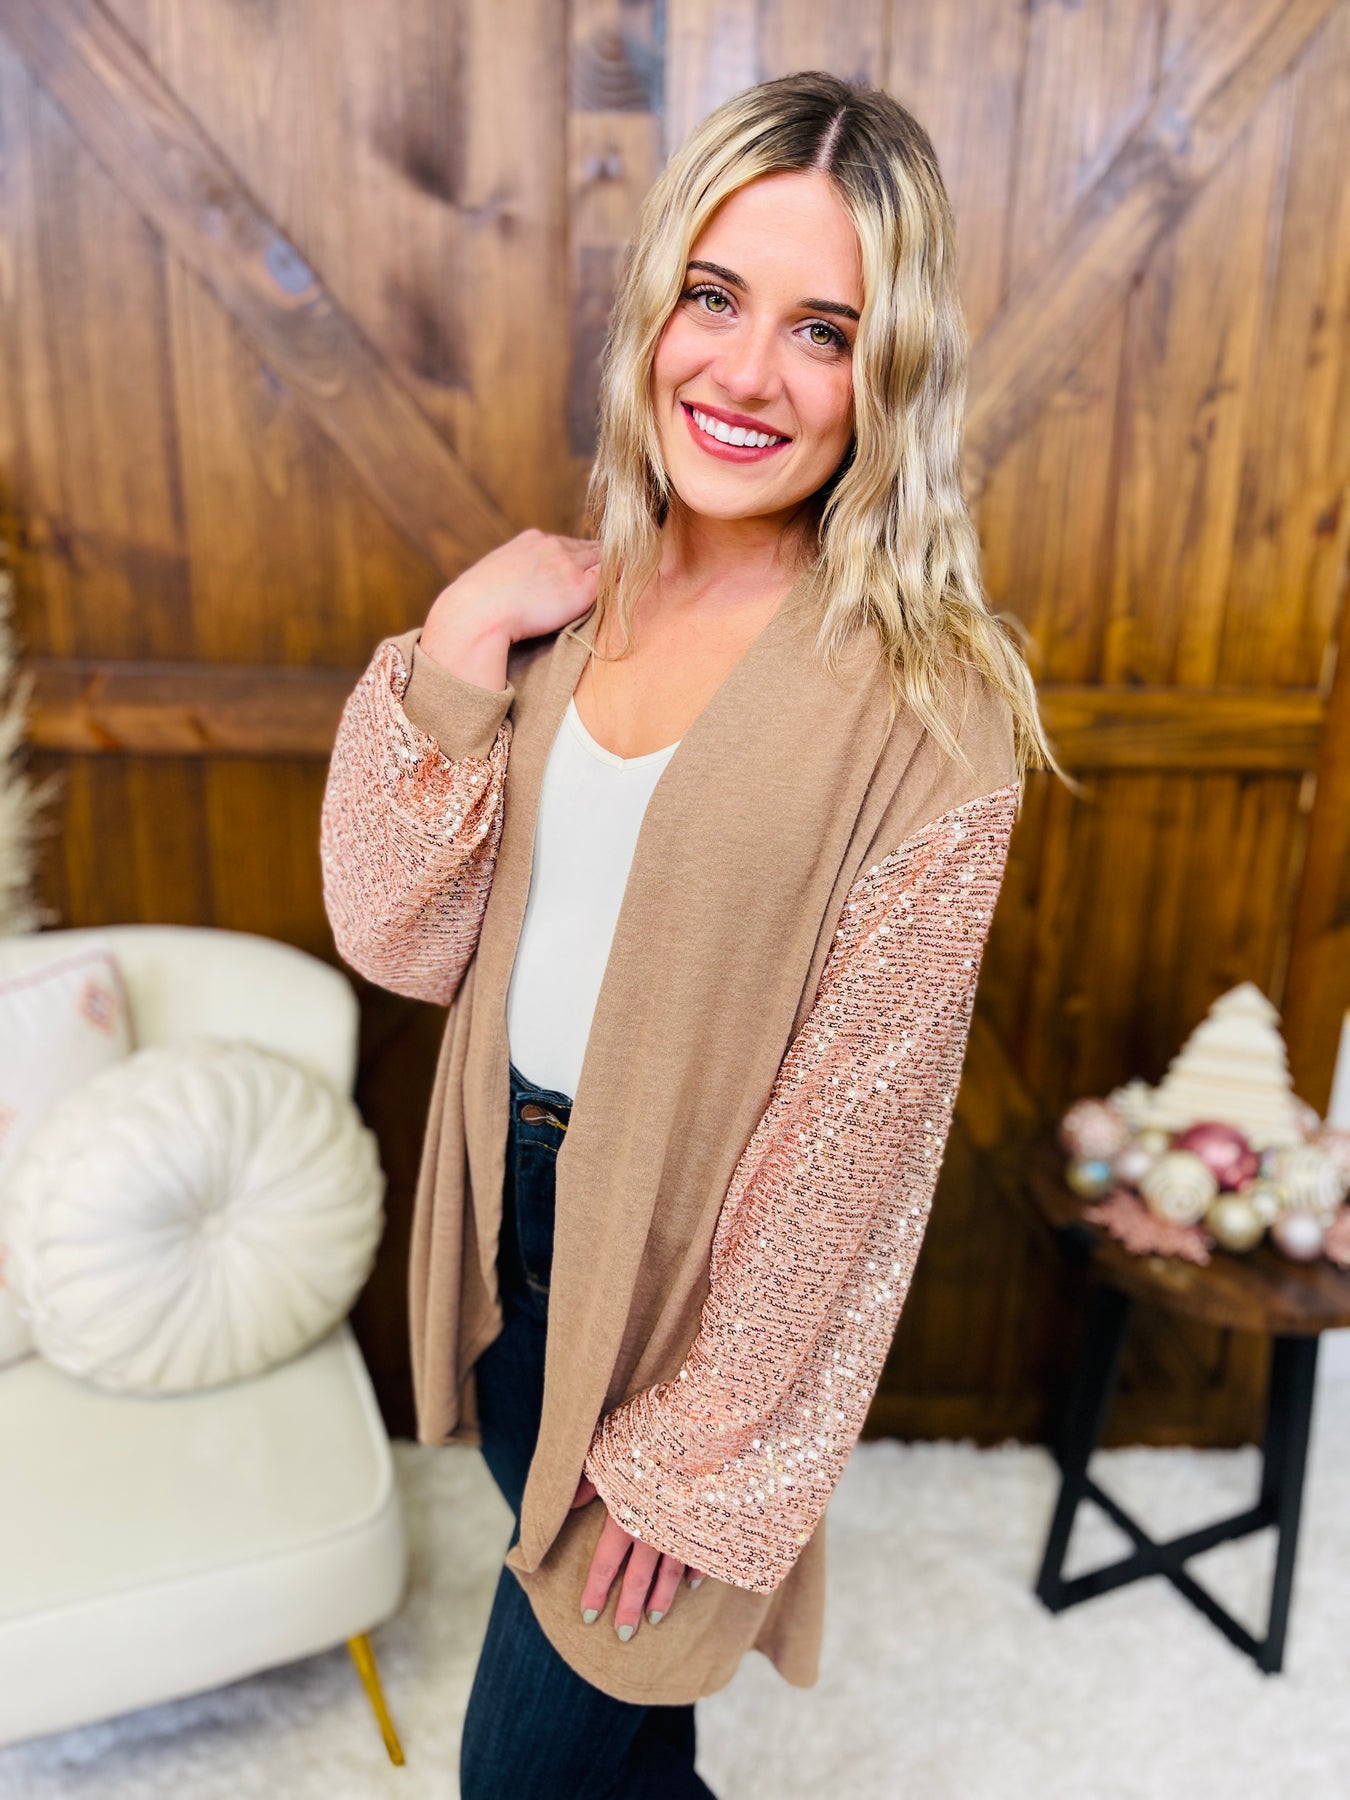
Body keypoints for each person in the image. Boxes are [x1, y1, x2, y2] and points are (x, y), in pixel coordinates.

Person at [320, 68, 1060, 1800]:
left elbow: (858, 1140)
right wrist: (458, 639)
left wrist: (702, 1450)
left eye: (823, 331)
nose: (742, 373)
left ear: (890, 374)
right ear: (653, 305)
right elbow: (395, 936)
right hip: (515, 1235)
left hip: (690, 1304)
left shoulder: (929, 708)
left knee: (526, 1772)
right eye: (714, 298)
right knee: (629, 1755)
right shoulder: (572, 604)